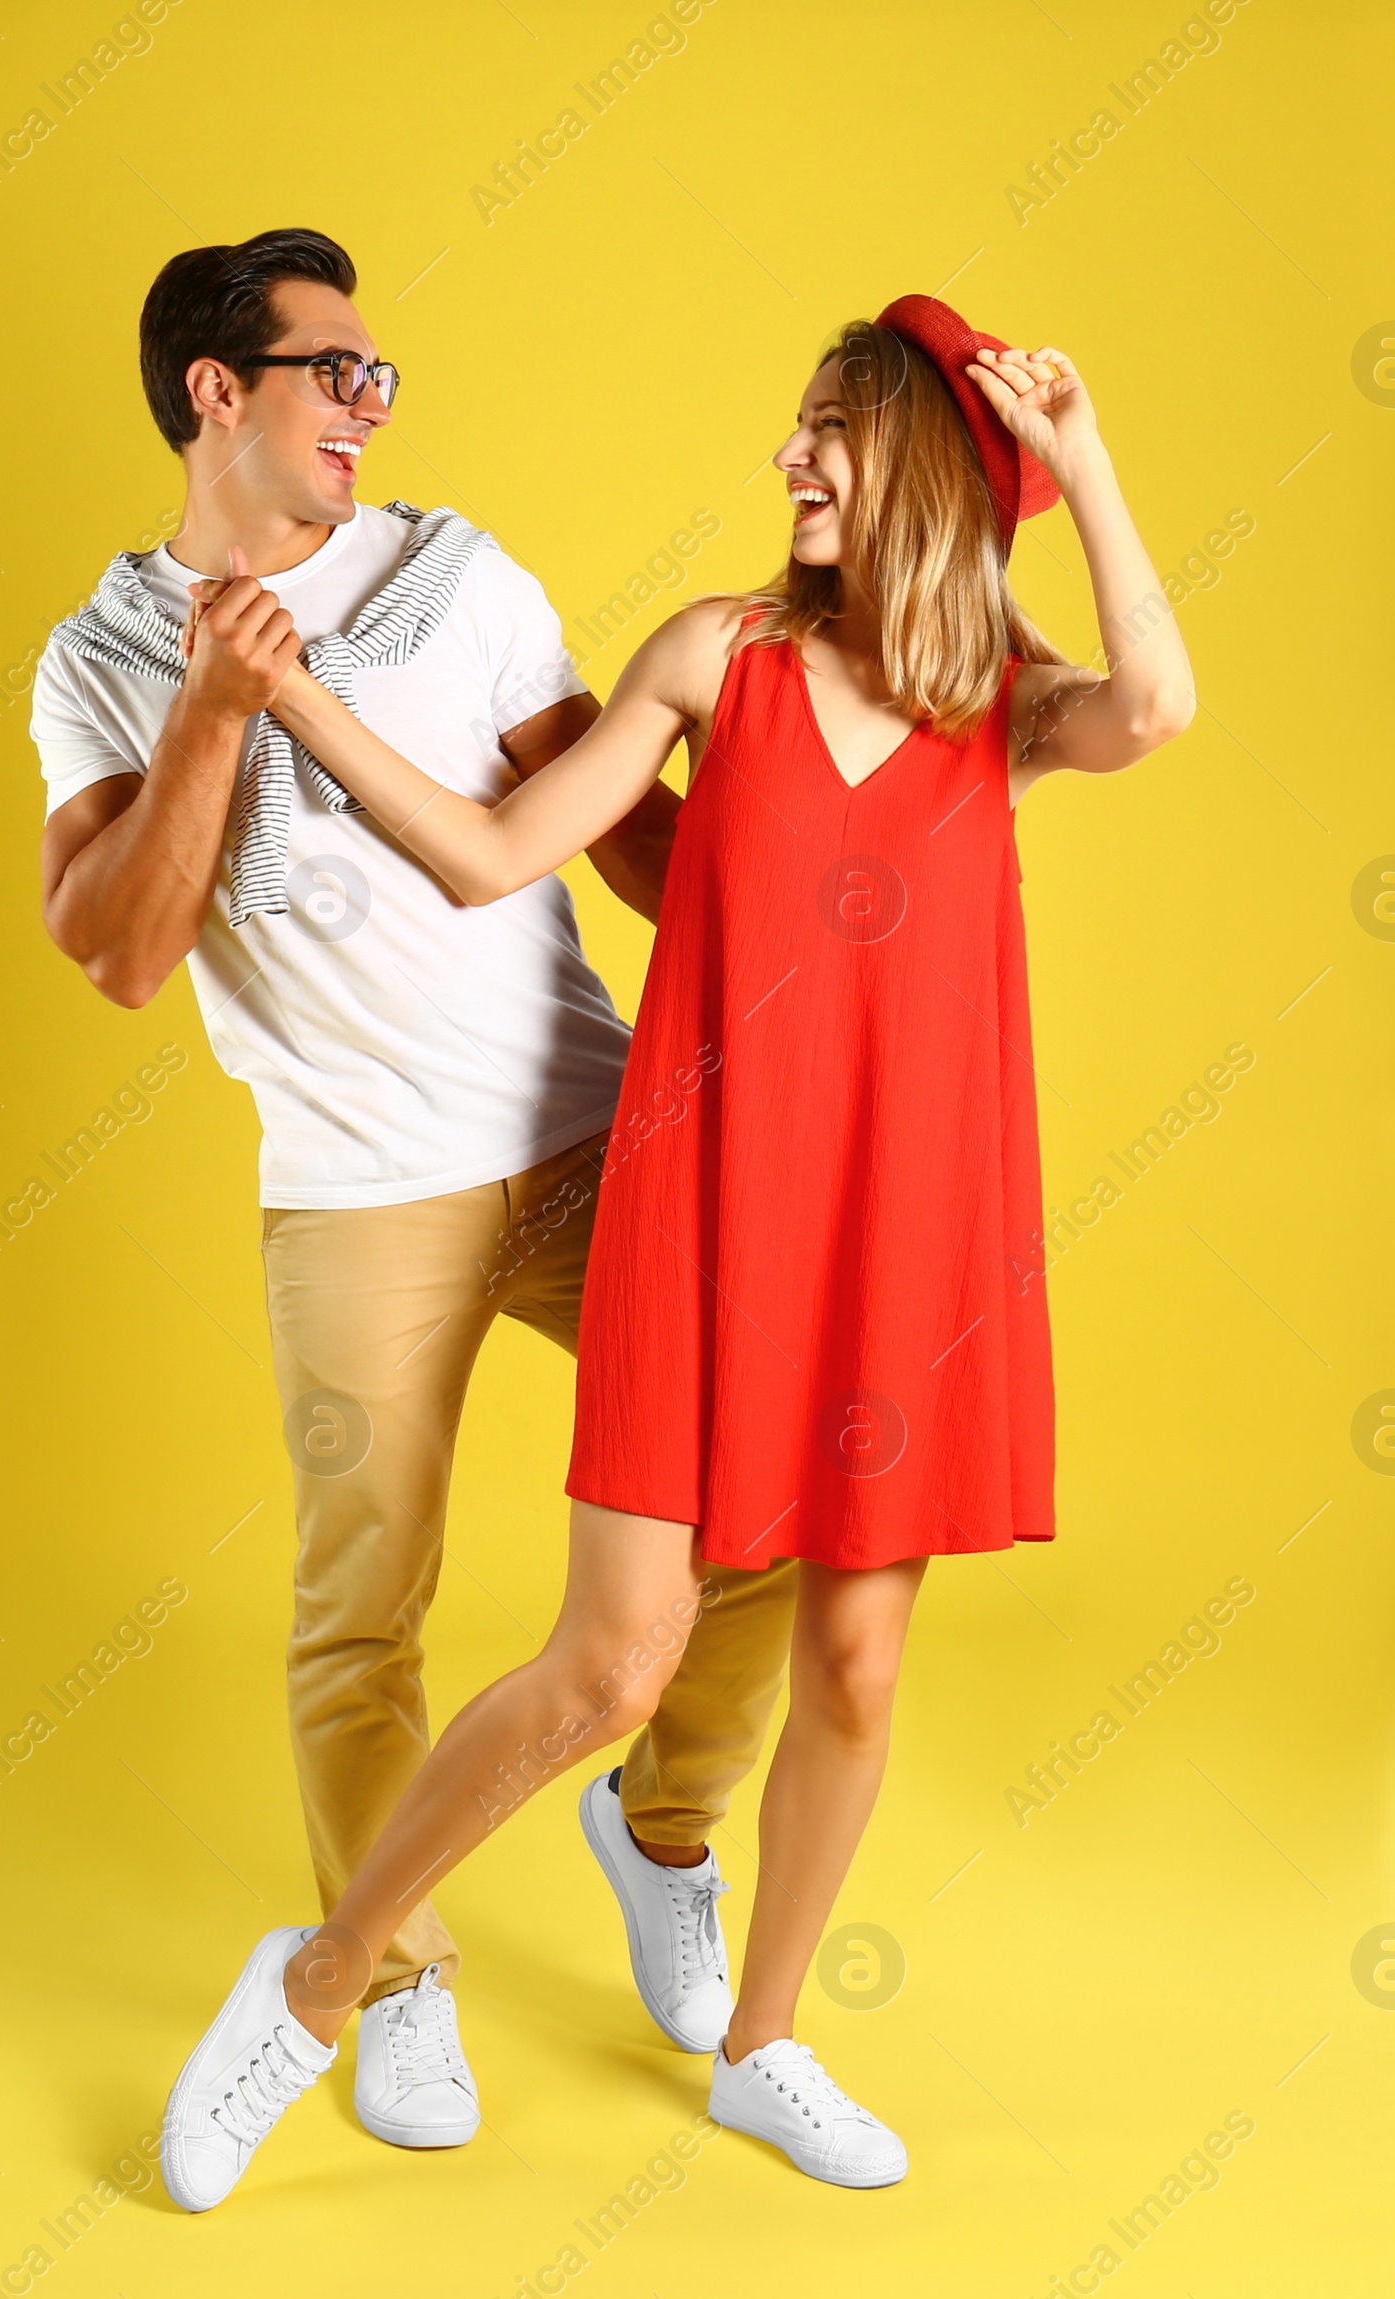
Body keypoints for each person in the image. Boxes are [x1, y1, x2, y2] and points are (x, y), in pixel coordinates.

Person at [167, 296, 1195, 2193]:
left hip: (910, 1248)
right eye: (795, 425)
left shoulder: (1000, 707)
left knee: (861, 1667)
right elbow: (497, 854)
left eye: (834, 429)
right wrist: (296, 702)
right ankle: (312, 1985)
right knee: (609, 1669)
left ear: (940, 472)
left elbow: (1155, 706)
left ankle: (766, 2039)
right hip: (707, 1216)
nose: (794, 457)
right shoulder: (721, 658)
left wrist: (1085, 455)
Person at [31, 228, 803, 2204]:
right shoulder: (104, 653)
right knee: (355, 1609)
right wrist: (213, 708)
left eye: (383, 378)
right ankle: (392, 1976)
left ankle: (662, 1830)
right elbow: (119, 952)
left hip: (580, 1136)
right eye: (337, 372)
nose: (375, 407)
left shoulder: (460, 576)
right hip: (350, 1192)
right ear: (221, 390)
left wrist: (815, 828)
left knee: (779, 1499)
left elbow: (618, 833)